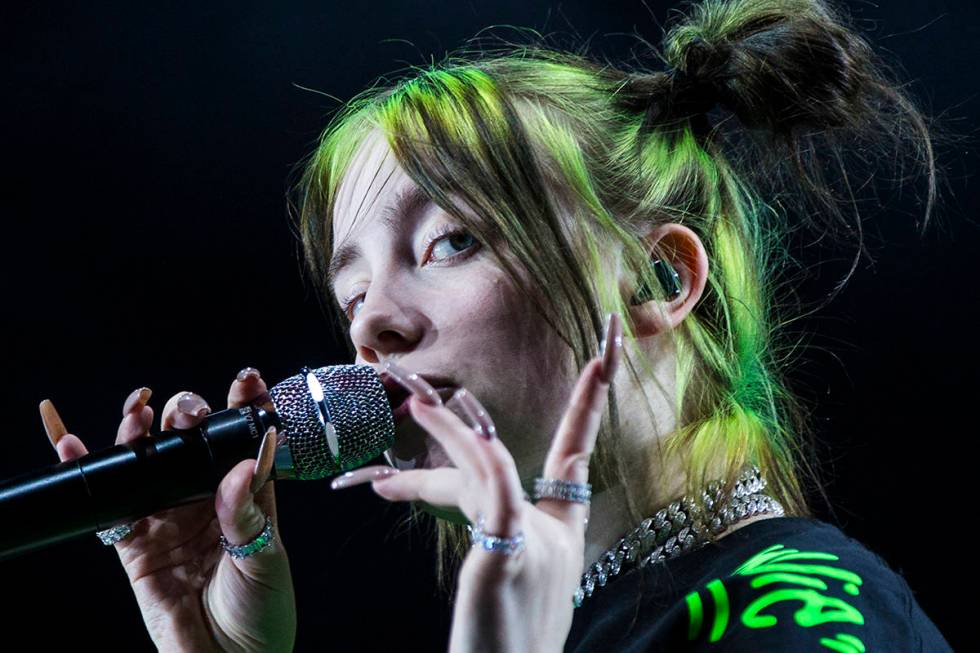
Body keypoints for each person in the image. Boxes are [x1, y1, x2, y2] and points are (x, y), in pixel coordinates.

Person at [39, 0, 954, 649]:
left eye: (450, 240)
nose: (372, 331)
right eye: (351, 296)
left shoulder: (793, 610)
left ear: (657, 275)